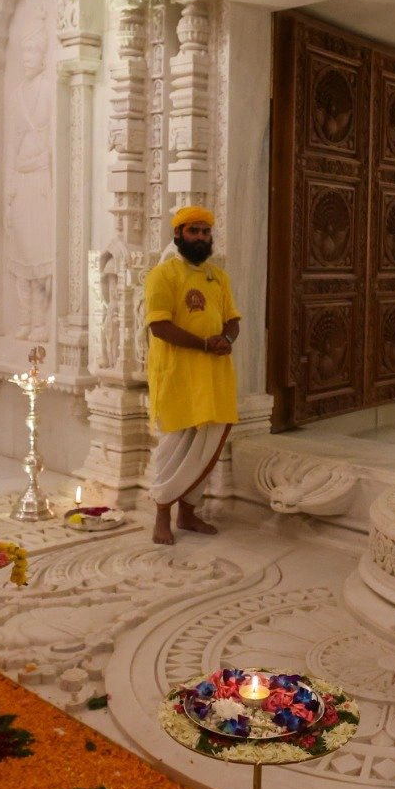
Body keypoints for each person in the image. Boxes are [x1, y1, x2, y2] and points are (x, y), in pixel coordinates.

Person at [145, 205, 240, 545]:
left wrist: (226, 339)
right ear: (178, 235)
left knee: (205, 447)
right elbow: (159, 326)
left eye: (205, 231)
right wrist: (203, 344)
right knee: (174, 448)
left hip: (215, 377)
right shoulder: (164, 274)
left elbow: (233, 319)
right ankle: (162, 516)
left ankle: (188, 514)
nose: (200, 237)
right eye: (193, 231)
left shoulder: (219, 277)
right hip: (177, 377)